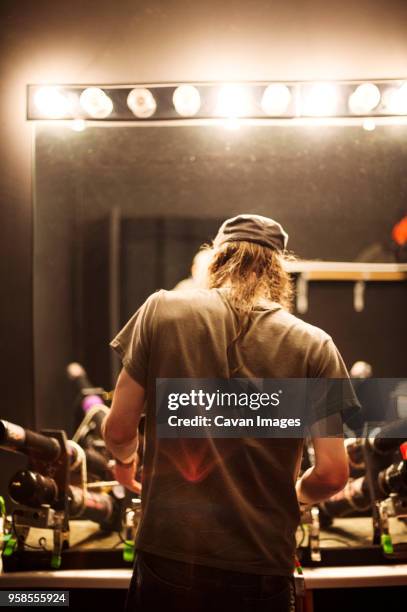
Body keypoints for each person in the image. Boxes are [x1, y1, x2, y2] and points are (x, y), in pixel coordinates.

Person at [101, 214, 359, 612]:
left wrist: (125, 462)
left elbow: (118, 430)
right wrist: (298, 497)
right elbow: (332, 473)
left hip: (168, 557)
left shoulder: (161, 310)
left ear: (217, 260)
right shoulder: (315, 345)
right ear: (278, 270)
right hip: (261, 567)